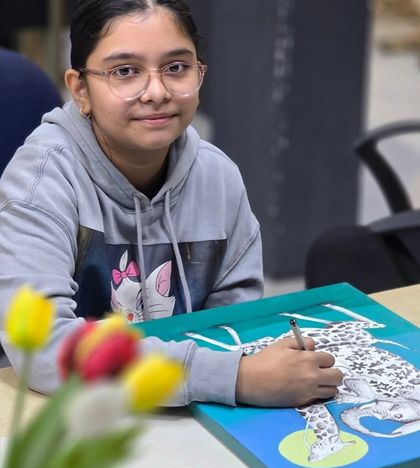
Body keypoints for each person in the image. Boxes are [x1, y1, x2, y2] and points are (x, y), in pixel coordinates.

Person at [0, 0, 342, 407]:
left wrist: (243, 372)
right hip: (63, 412)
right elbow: (42, 349)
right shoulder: (42, 182)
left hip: (187, 410)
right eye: (125, 72)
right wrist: (234, 379)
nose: (157, 92)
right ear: (80, 90)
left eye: (176, 67)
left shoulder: (217, 177)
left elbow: (236, 326)